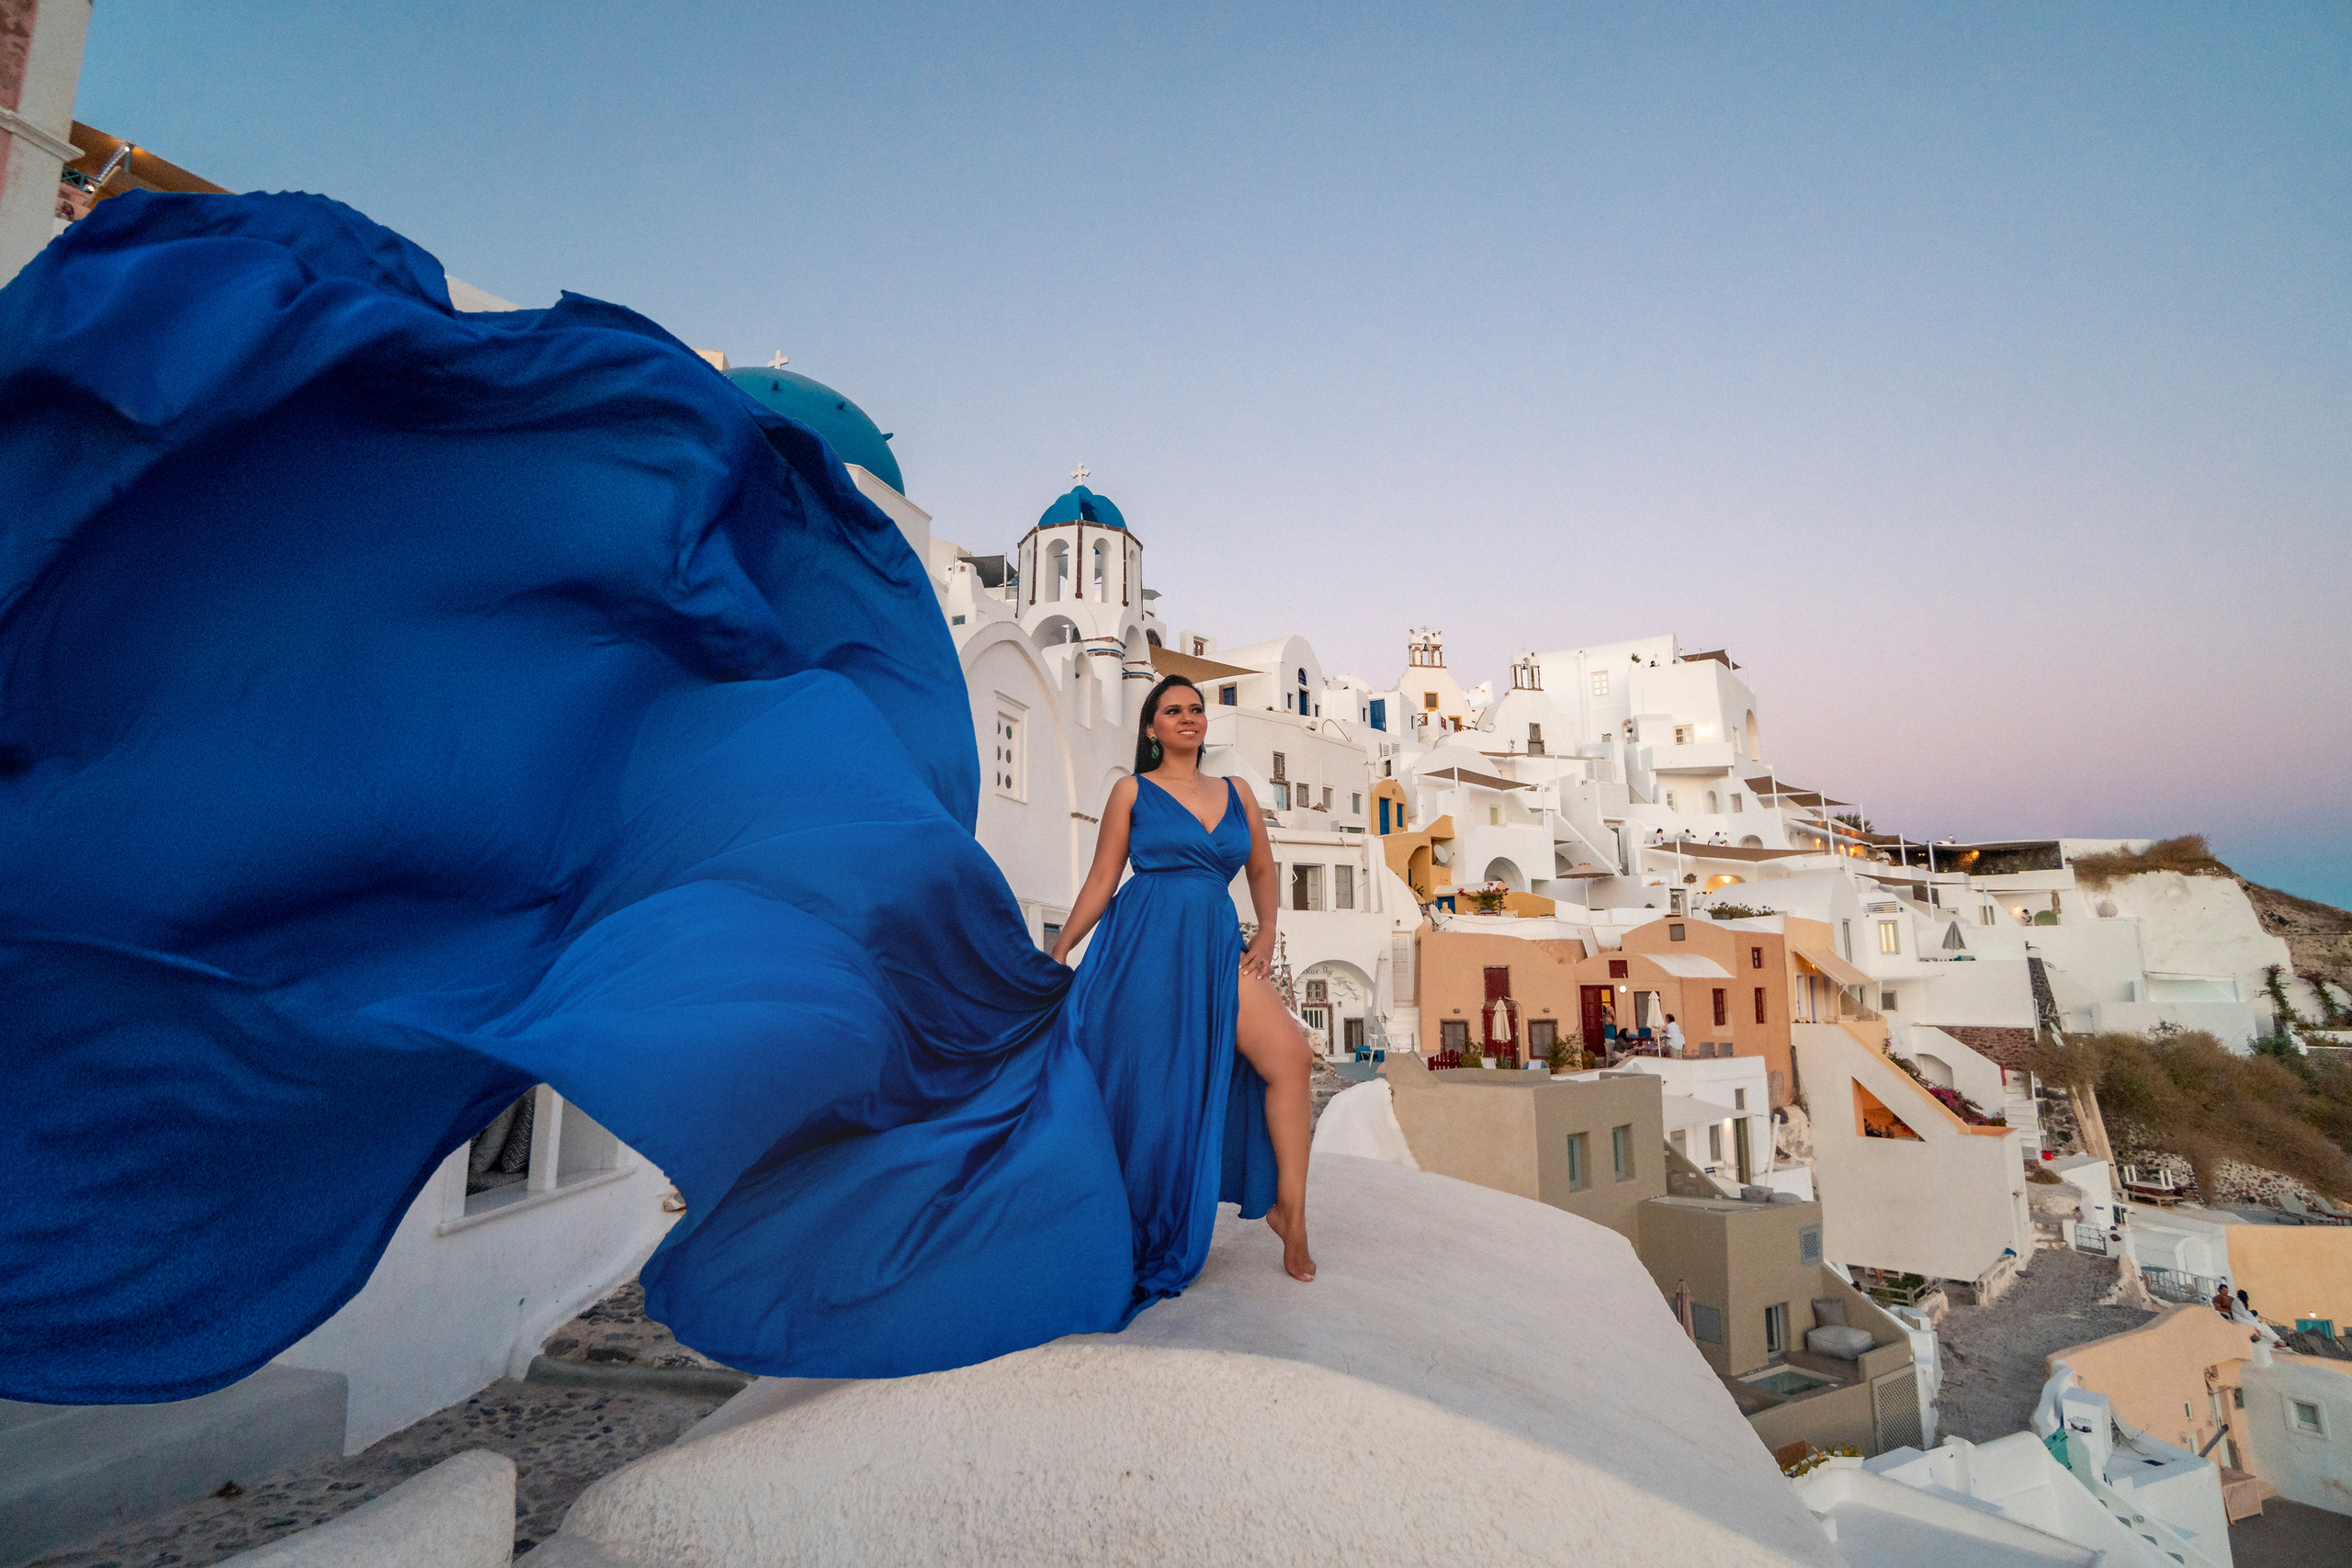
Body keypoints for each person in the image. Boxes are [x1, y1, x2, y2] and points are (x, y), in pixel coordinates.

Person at [1048, 675, 1317, 1282]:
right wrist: (1062, 947)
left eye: (1196, 708)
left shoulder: (1237, 791)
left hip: (1219, 946)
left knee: (1292, 1057)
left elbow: (1263, 868)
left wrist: (1268, 929)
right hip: (1145, 948)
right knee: (1151, 1085)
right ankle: (1120, 1209)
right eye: (1173, 710)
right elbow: (1101, 880)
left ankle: (1290, 1214)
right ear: (1152, 727)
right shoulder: (1131, 791)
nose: (1189, 717)